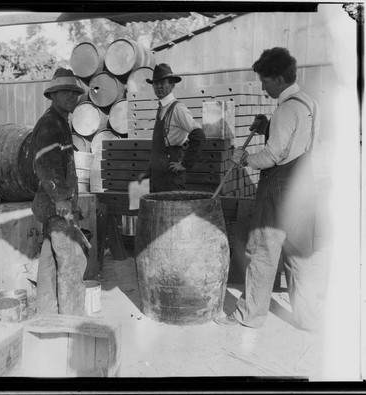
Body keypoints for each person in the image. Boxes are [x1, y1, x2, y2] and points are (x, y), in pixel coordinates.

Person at [214, 47, 322, 331]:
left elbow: (272, 156)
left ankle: (250, 315)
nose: (263, 87)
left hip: (278, 190)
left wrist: (244, 158)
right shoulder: (309, 104)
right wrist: (268, 126)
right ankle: (308, 319)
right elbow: (296, 143)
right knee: (299, 256)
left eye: (265, 80)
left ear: (279, 79)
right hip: (304, 188)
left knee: (263, 251)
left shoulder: (286, 110)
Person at [31, 67, 87, 316]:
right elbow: (44, 163)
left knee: (49, 259)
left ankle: (46, 312)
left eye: (74, 93)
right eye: (65, 93)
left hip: (55, 203)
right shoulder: (49, 124)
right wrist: (62, 199)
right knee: (71, 261)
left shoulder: (61, 122)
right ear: (53, 95)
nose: (71, 98)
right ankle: (72, 316)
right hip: (55, 204)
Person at [137, 63, 205, 192]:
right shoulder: (161, 109)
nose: (158, 87)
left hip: (171, 178)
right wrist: (147, 172)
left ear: (172, 84)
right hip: (157, 178)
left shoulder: (178, 109)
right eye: (155, 84)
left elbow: (199, 135)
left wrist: (185, 164)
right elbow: (158, 150)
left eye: (163, 83)